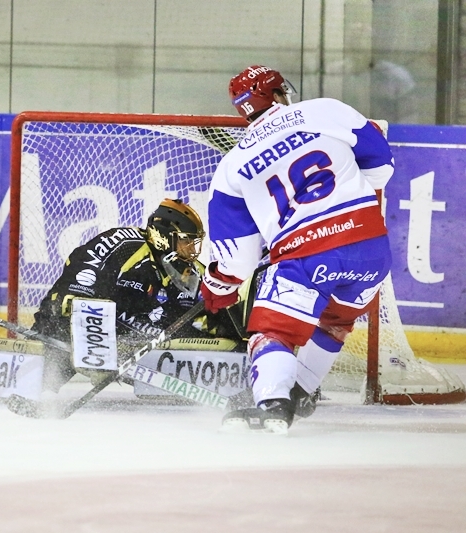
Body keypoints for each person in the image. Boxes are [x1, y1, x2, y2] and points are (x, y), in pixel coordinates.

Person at [202, 65, 395, 433]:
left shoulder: (231, 167)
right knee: (335, 321)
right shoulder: (326, 110)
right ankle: (301, 391)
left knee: (273, 334)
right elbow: (382, 167)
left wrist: (218, 284)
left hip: (306, 257)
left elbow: (238, 261)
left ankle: (273, 404)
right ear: (278, 94)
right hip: (371, 249)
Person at [33, 198, 241, 391]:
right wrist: (92, 340)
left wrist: (236, 332)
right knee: (57, 337)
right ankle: (34, 388)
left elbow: (212, 310)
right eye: (185, 241)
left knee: (220, 339)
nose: (190, 249)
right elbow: (78, 282)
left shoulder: (190, 271)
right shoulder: (123, 244)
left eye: (192, 242)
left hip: (135, 344)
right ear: (164, 237)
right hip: (88, 330)